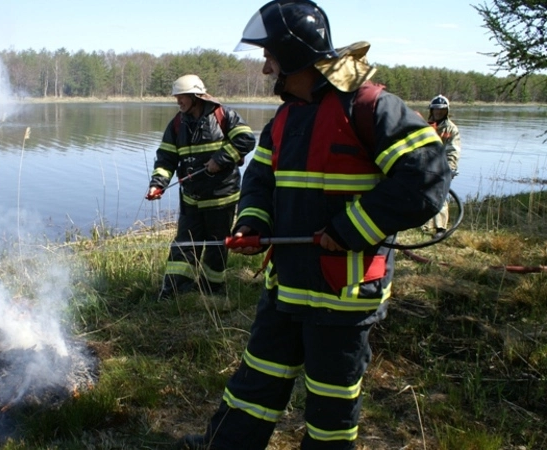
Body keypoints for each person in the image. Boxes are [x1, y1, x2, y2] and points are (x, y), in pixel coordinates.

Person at [178, 1, 451, 449]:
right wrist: (250, 223)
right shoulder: (285, 119)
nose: (266, 69)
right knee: (255, 384)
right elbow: (260, 181)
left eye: (270, 56)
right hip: (286, 287)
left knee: (330, 408)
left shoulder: (371, 108)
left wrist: (351, 229)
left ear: (293, 55)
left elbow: (427, 176)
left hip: (342, 298)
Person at [146, 74, 256, 299]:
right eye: (177, 98)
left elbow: (246, 140)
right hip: (191, 200)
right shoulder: (177, 124)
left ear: (196, 96)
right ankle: (175, 292)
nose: (179, 102)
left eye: (182, 97)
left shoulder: (224, 116)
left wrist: (220, 159)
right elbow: (166, 158)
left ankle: (211, 291)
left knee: (216, 247)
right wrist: (158, 184)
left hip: (221, 198)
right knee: (184, 245)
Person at [424, 94, 461, 239]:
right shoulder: (425, 126)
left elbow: (453, 151)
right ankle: (426, 225)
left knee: (441, 196)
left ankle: (441, 229)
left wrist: (450, 168)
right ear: (431, 110)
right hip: (425, 167)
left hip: (442, 168)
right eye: (436, 109)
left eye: (442, 110)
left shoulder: (451, 129)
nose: (438, 112)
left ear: (446, 111)